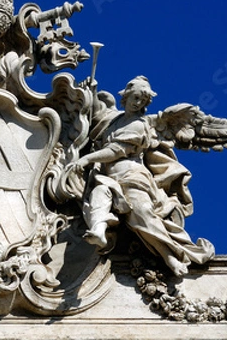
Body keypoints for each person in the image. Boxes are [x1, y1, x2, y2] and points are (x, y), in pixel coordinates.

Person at [70, 76, 214, 276]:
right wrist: (90, 91)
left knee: (141, 214)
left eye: (142, 101)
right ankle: (99, 232)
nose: (138, 103)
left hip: (132, 177)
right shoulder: (114, 119)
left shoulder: (140, 124)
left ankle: (171, 255)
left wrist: (86, 160)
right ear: (126, 96)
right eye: (135, 98)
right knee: (99, 195)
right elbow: (96, 113)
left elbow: (116, 150)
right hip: (108, 176)